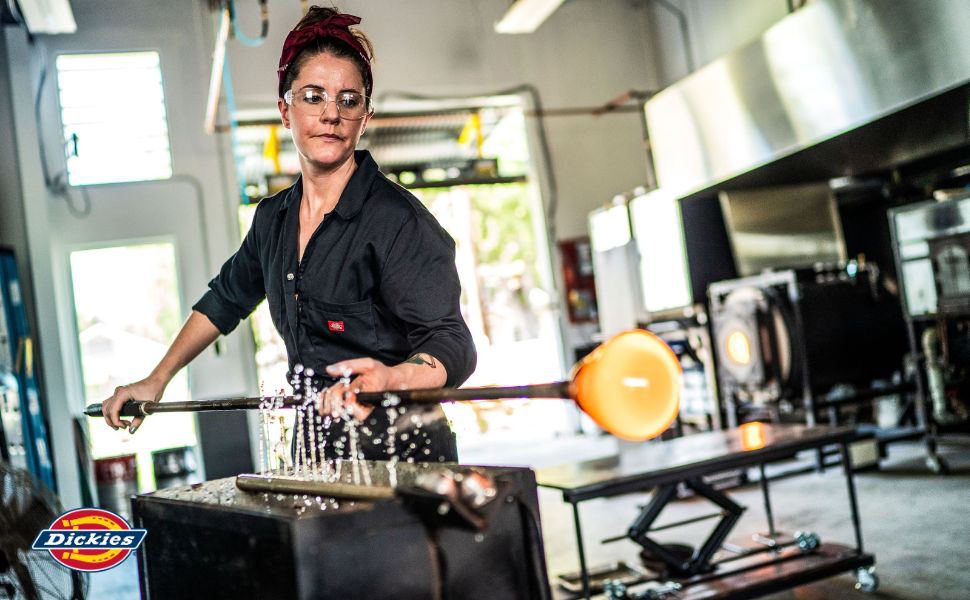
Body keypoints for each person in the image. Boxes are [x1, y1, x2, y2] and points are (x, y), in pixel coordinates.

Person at [102, 7, 476, 463]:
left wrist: (391, 377)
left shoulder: (398, 222)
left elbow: (453, 343)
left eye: (349, 100)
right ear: (285, 109)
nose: (331, 114)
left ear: (365, 116)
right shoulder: (272, 222)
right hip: (317, 451)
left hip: (404, 451)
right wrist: (155, 380)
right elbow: (225, 300)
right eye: (314, 97)